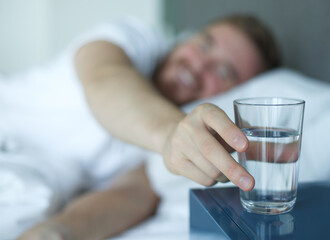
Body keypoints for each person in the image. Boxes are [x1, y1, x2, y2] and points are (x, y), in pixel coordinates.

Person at [16, 14, 280, 239]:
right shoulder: (134, 37)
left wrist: (53, 232)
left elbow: (131, 195)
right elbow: (104, 78)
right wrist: (172, 135)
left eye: (223, 72)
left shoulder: (187, 141)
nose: (200, 64)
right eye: (204, 45)